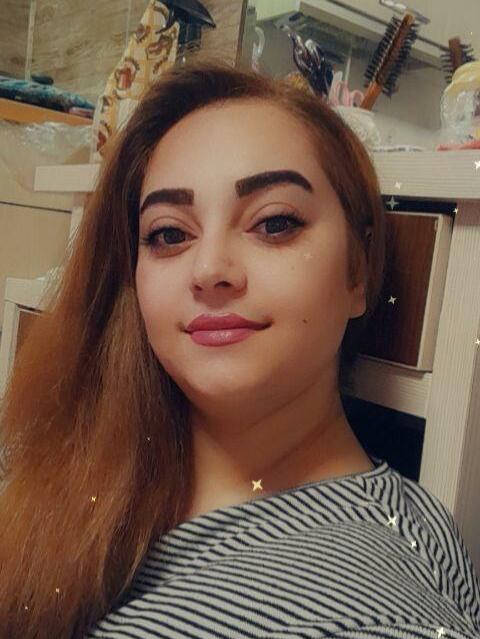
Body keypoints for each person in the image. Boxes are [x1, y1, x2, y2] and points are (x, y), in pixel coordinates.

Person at [0, 58, 478, 639]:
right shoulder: (87, 466)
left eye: (274, 223)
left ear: (358, 268)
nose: (209, 270)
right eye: (169, 234)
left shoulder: (375, 610)